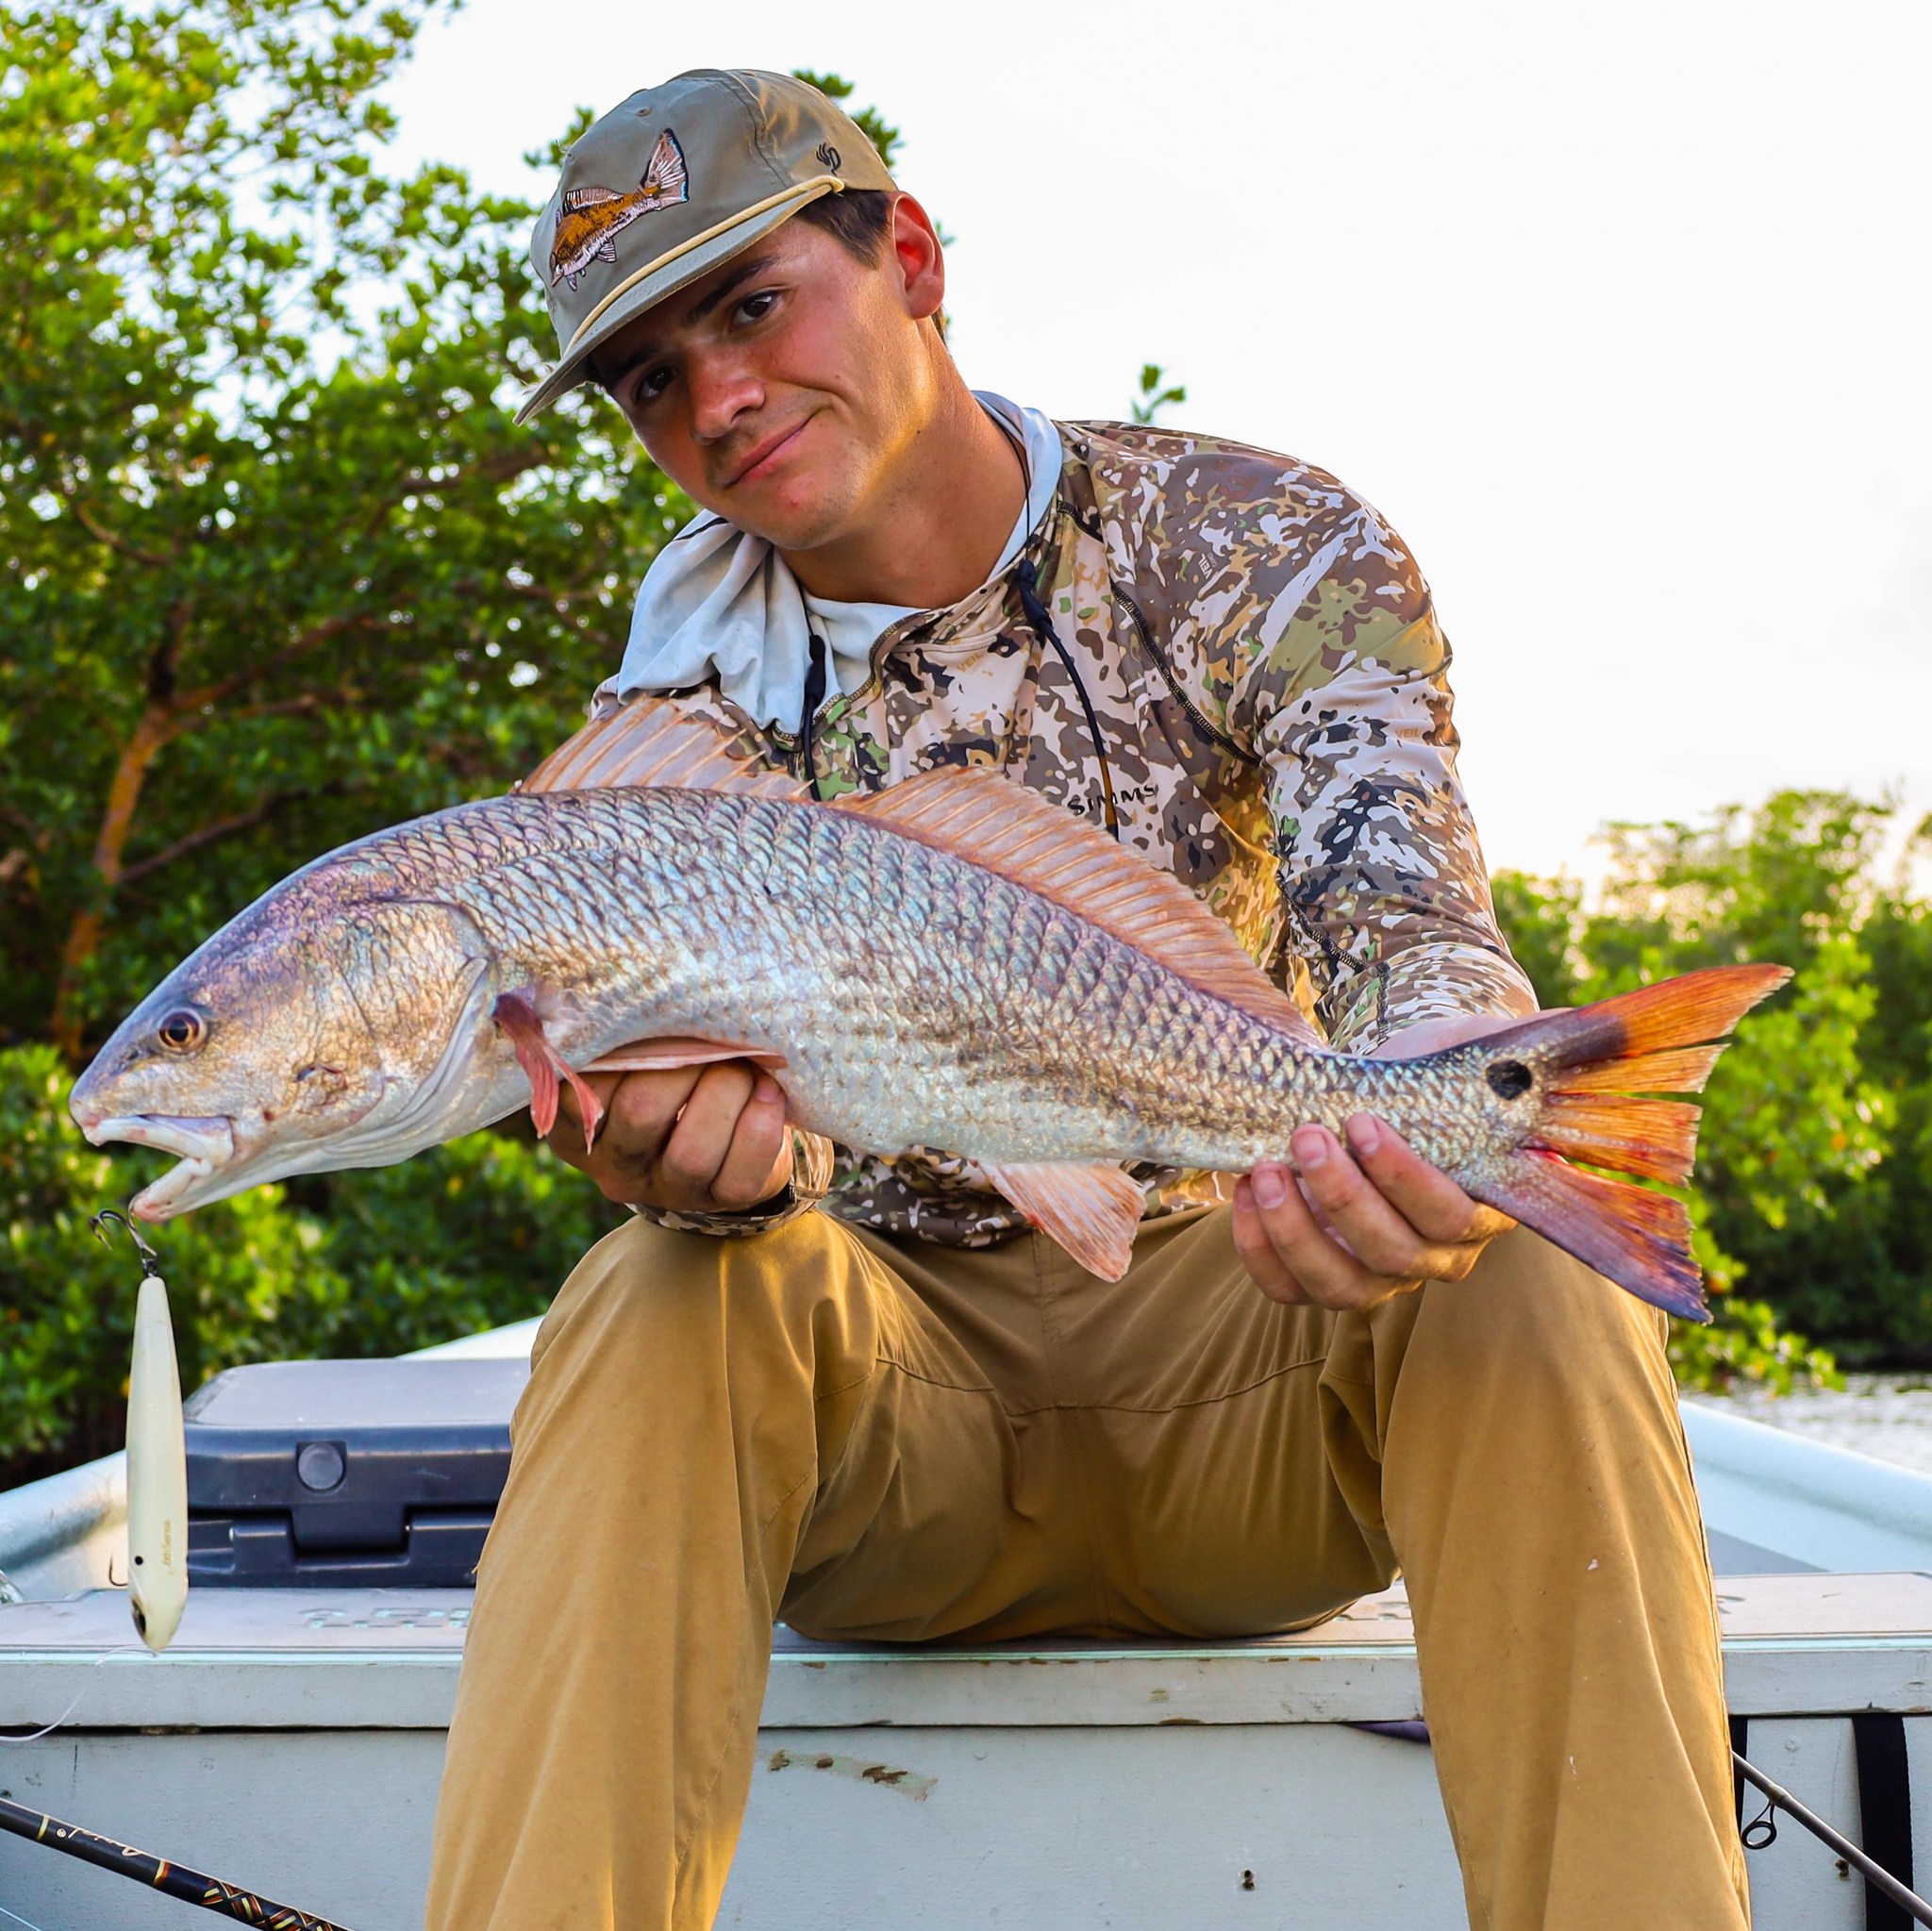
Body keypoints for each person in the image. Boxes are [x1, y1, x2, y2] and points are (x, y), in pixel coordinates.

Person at [425, 68, 1749, 1931]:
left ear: (908, 258)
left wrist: (1443, 1077)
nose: (715, 398)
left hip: (1267, 1343)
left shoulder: (1255, 534)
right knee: (651, 1293)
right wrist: (676, 1169)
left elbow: (1406, 902)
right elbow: (653, 1114)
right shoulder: (670, 714)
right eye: (649, 374)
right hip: (898, 1449)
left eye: (749, 305)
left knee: (1527, 1249)